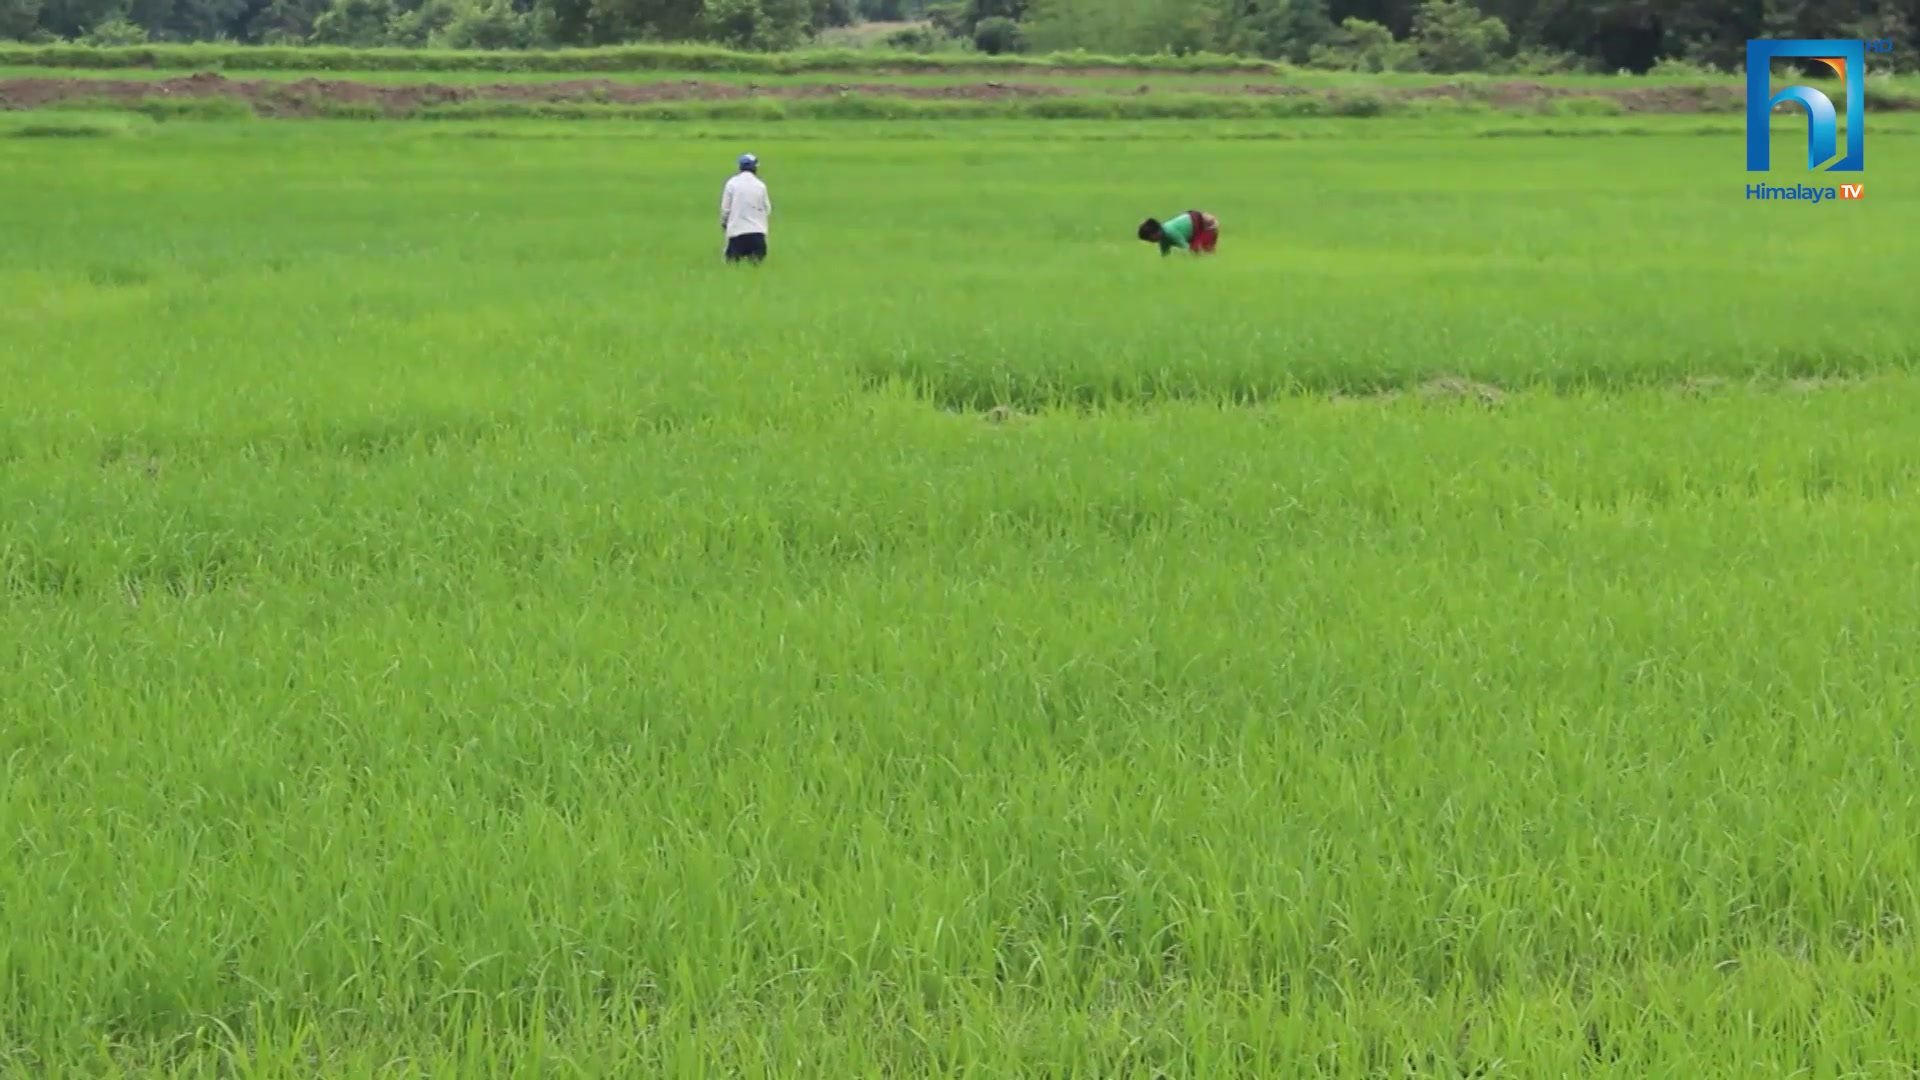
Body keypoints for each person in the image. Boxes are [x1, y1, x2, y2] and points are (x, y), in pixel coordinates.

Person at [720, 153, 771, 264]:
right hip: (758, 234)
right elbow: (767, 208)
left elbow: (725, 209)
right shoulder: (760, 185)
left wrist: (725, 224)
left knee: (733, 268)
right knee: (756, 269)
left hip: (737, 234)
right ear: (755, 168)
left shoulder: (731, 184)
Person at [1138, 210, 1220, 256]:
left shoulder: (1170, 232)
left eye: (1149, 238)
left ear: (1156, 232)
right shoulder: (1163, 238)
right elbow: (1165, 256)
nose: (1150, 241)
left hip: (1207, 226)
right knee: (1202, 254)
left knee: (1198, 252)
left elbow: (1187, 249)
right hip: (1198, 228)